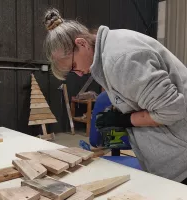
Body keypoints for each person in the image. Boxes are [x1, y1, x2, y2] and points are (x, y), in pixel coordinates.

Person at [43, 8, 187, 184]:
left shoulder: (120, 60)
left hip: (182, 158)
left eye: (73, 66)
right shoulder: (108, 53)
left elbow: (172, 110)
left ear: (81, 44)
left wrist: (125, 120)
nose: (78, 74)